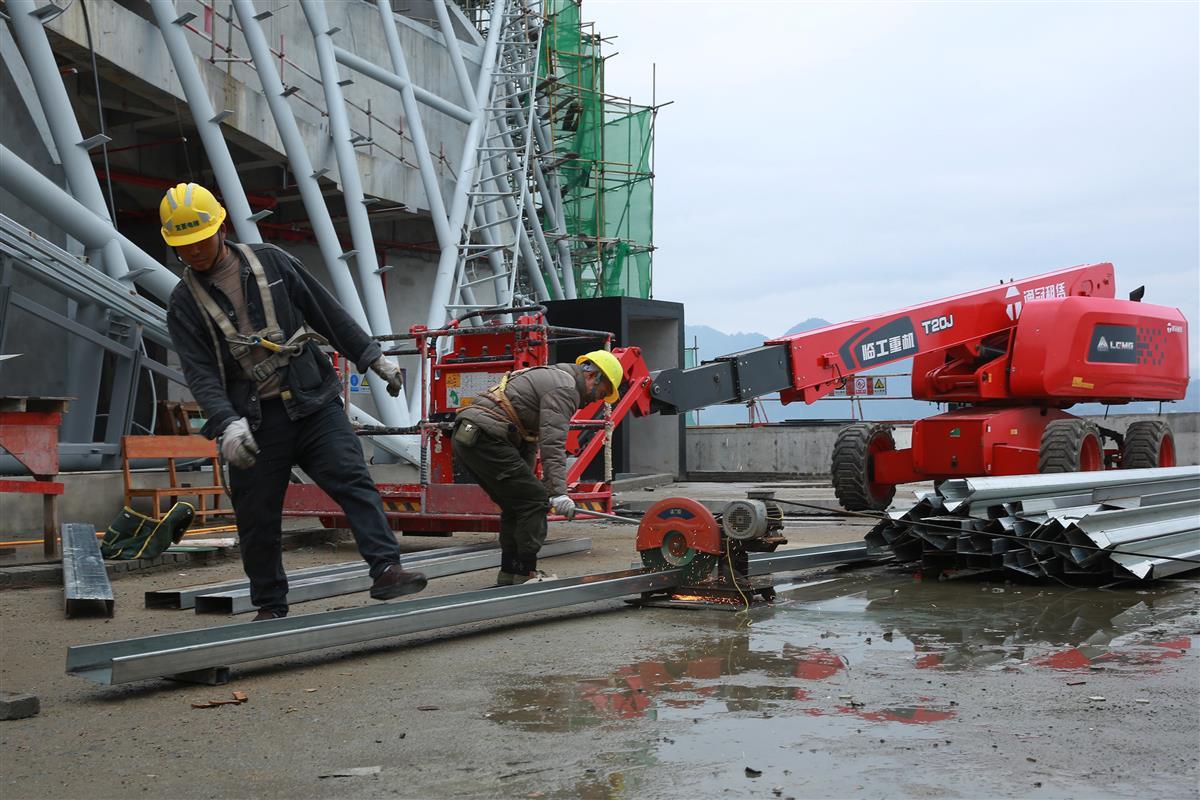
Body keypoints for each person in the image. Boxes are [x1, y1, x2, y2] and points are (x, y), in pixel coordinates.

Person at [160, 182, 426, 620]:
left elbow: (324, 309)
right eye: (183, 247)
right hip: (255, 422)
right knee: (256, 515)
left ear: (221, 227)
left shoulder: (271, 262)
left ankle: (386, 570)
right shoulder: (184, 303)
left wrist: (371, 357)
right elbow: (200, 372)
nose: (194, 252)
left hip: (314, 402)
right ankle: (270, 605)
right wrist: (227, 421)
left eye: (200, 240)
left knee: (353, 480)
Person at [451, 350, 623, 585]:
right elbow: (553, 443)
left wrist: (538, 482)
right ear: (593, 376)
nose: (597, 399)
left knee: (517, 504)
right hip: (488, 437)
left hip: (470, 436)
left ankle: (510, 573)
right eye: (602, 393)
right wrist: (558, 493)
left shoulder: (554, 377)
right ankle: (525, 573)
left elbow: (530, 438)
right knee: (534, 501)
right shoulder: (565, 388)